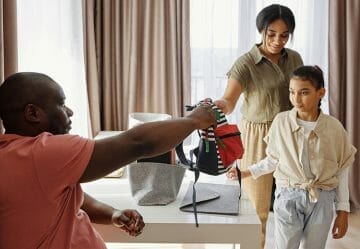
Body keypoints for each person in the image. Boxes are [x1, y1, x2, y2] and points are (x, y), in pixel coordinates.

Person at [0, 72, 217, 249]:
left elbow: (72, 197)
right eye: (61, 104)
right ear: (32, 113)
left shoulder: (14, 154)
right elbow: (138, 143)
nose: (70, 112)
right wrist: (194, 120)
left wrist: (112, 213)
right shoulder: (41, 153)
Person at [214, 4, 303, 247]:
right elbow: (229, 101)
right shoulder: (246, 63)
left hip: (289, 132)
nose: (277, 40)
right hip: (256, 135)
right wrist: (219, 105)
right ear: (261, 30)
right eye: (271, 33)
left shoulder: (294, 58)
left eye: (284, 35)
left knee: (291, 203)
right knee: (257, 209)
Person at [241, 65, 356, 249]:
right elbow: (273, 159)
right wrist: (247, 172)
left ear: (321, 93)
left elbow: (342, 170)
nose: (296, 99)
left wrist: (342, 210)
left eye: (304, 92)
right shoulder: (281, 122)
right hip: (288, 196)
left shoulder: (334, 128)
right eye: (292, 92)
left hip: (322, 199)